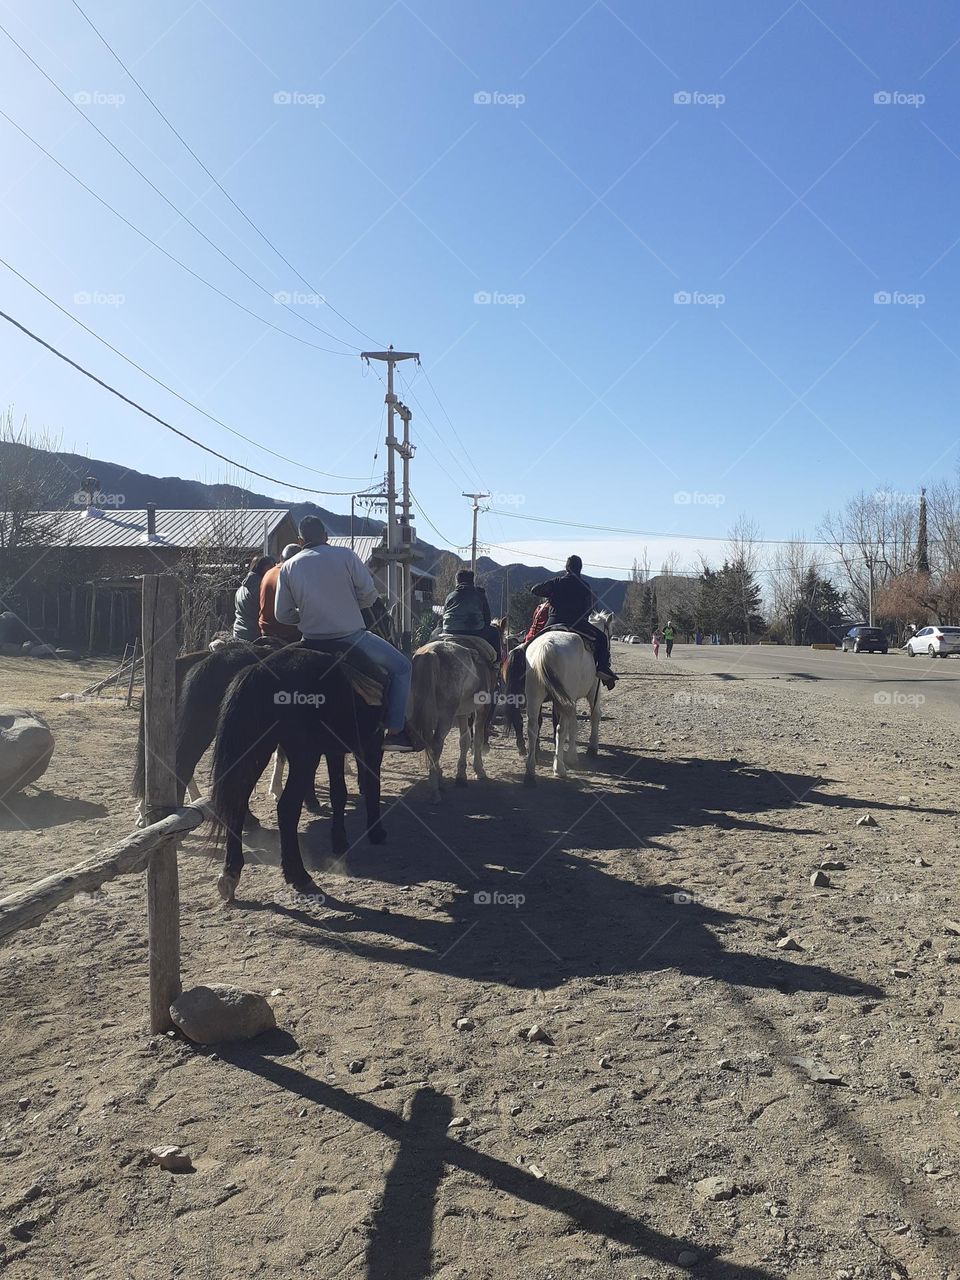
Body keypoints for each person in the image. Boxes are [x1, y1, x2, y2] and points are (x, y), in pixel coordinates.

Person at [274, 516, 416, 751]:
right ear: (326, 536)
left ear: (300, 541)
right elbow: (369, 595)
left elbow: (282, 614)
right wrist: (350, 607)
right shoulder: (346, 555)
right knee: (403, 668)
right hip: (351, 638)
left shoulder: (288, 566)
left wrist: (308, 615)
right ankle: (395, 731)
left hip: (310, 641)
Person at [529, 555, 616, 689]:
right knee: (602, 638)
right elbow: (588, 610)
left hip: (552, 622)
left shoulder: (556, 582)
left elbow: (535, 589)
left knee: (530, 644)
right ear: (580, 568)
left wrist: (550, 593)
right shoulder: (585, 586)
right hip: (577, 623)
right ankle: (602, 669)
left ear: (566, 568)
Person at [440, 569, 501, 657]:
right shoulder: (479, 594)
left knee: (435, 633)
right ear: (472, 581)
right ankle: (498, 661)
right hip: (474, 631)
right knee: (495, 632)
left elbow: (443, 616)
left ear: (457, 581)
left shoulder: (450, 596)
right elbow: (487, 619)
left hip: (449, 630)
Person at [259, 544, 302, 642]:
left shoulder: (269, 573)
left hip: (265, 628)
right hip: (285, 631)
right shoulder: (290, 574)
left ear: (281, 557)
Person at [233, 555, 273, 641]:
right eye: (270, 567)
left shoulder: (241, 588)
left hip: (238, 632)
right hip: (253, 635)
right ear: (262, 568)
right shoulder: (261, 589)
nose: (273, 570)